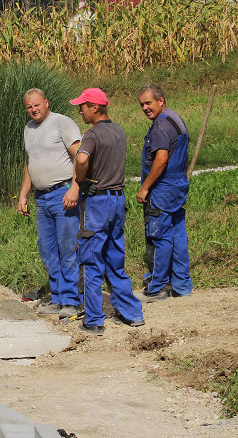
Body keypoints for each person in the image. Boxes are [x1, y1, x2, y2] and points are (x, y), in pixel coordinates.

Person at [70, 87, 144, 336]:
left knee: (91, 261)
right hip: (117, 200)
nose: (80, 109)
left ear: (96, 107)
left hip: (98, 201)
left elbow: (81, 160)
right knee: (115, 260)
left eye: (83, 105)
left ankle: (93, 320)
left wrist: (82, 180)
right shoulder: (118, 131)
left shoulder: (92, 134)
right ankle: (133, 313)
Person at [17, 88, 83, 319]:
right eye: (29, 107)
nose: (33, 110)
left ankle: (72, 301)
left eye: (37, 105)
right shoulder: (28, 129)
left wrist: (75, 187)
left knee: (67, 247)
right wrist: (23, 194)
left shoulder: (61, 123)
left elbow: (81, 156)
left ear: (46, 103)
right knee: (47, 249)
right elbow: (30, 163)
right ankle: (57, 297)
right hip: (42, 197)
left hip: (62, 192)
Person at [136, 83, 192, 301]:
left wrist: (145, 187)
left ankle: (158, 286)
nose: (144, 108)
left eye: (148, 103)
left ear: (161, 100)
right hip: (178, 184)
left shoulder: (160, 126)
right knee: (178, 236)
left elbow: (160, 160)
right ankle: (182, 285)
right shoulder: (175, 119)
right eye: (141, 104)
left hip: (162, 187)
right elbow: (183, 155)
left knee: (160, 237)